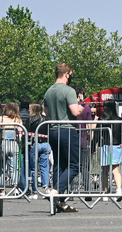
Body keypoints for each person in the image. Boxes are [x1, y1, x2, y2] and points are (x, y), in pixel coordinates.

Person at [43, 63, 83, 213]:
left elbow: (46, 113)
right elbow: (75, 111)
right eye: (71, 74)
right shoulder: (69, 90)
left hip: (53, 130)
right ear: (67, 74)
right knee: (74, 165)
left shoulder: (48, 91)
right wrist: (81, 107)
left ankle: (59, 202)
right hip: (67, 130)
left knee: (59, 165)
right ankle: (55, 192)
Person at [26, 102, 50, 199]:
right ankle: (46, 188)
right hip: (46, 143)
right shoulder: (46, 119)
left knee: (34, 168)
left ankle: (35, 191)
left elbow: (26, 132)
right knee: (44, 167)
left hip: (34, 143)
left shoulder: (30, 119)